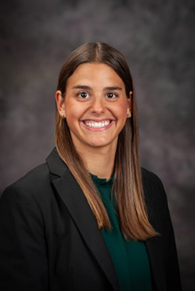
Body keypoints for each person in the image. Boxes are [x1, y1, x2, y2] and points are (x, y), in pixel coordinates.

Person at [0, 42, 181, 291]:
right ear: (61, 103)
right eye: (83, 94)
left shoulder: (151, 189)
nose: (98, 108)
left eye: (111, 94)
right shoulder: (26, 200)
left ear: (128, 105)